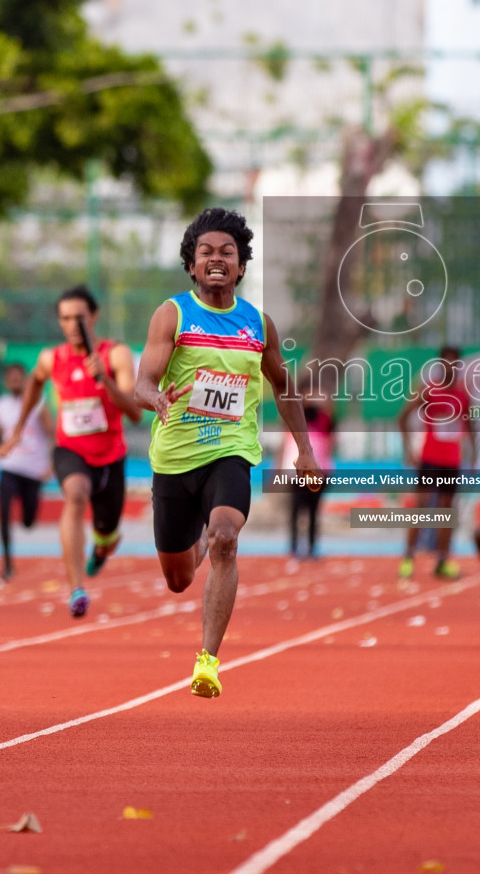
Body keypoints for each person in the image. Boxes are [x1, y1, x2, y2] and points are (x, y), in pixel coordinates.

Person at [134, 207, 321, 699]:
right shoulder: (172, 314)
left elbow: (283, 388)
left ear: (241, 266)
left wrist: (304, 451)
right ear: (192, 266)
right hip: (174, 457)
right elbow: (143, 380)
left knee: (224, 539)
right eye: (206, 253)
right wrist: (156, 399)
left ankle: (208, 661)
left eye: (227, 253)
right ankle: (194, 545)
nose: (216, 260)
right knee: (177, 579)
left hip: (231, 450)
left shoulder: (258, 323)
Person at [0, 286, 139, 616]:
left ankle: (103, 548)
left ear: (94, 316)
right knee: (75, 493)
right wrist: (18, 429)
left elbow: (133, 412)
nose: (72, 324)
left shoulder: (115, 354)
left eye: (79, 317)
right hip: (70, 449)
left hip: (110, 456)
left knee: (107, 534)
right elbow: (34, 383)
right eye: (65, 318)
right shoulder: (52, 358)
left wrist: (105, 380)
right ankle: (76, 588)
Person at [397, 345, 473, 581]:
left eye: (454, 362)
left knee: (447, 512)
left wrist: (474, 454)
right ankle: (408, 557)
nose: (450, 366)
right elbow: (402, 417)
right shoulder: (429, 390)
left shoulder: (463, 395)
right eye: (447, 361)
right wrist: (409, 449)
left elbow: (468, 426)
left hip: (452, 461)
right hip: (429, 458)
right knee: (420, 508)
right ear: (441, 364)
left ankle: (442, 560)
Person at [0, 362, 53, 582]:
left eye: (19, 377)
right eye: (11, 378)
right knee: (3, 513)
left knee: (28, 521)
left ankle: (28, 517)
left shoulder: (38, 403)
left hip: (33, 470)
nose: (15, 381)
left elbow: (51, 433)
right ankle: (7, 565)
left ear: (25, 379)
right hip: (9, 466)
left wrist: (50, 465)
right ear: (6, 381)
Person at [284, 390, 334, 558]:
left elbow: (331, 414)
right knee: (295, 511)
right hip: (297, 473)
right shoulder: (294, 421)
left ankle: (312, 547)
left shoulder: (324, 421)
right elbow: (287, 407)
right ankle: (293, 547)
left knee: (313, 512)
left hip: (319, 472)